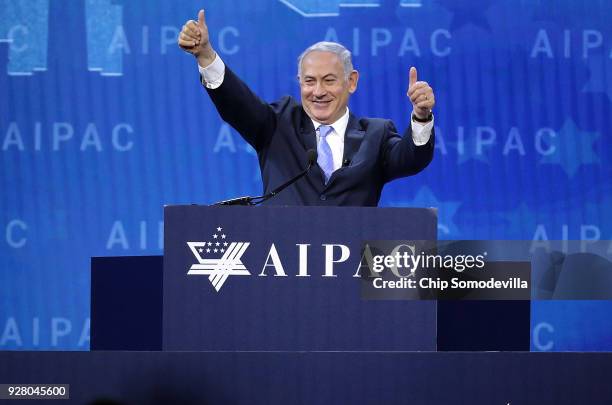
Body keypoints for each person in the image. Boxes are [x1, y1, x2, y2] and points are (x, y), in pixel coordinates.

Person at [178, 9, 436, 206]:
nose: (319, 91)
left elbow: (412, 159)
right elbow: (238, 104)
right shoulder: (277, 123)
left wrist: (421, 116)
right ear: (300, 83)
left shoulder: (376, 134)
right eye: (310, 81)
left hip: (353, 268)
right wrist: (206, 57)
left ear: (352, 82)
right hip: (281, 267)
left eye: (329, 80)